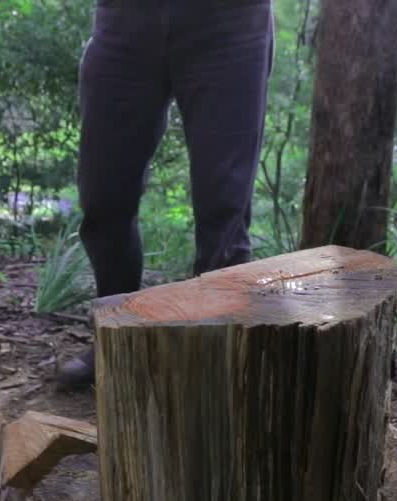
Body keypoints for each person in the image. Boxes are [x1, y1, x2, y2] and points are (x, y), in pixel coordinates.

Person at [56, 0, 275, 388]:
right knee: (103, 198)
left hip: (230, 22)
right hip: (125, 20)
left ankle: (215, 364)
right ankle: (116, 338)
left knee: (223, 209)